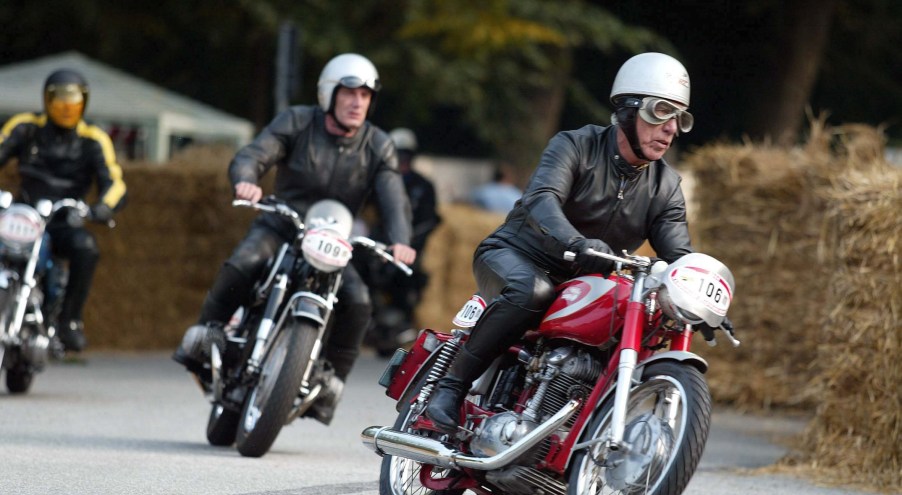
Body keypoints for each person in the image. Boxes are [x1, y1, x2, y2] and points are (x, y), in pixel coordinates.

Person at [425, 52, 696, 433]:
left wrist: (697, 287)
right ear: (626, 111)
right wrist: (576, 241)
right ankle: (450, 388)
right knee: (531, 292)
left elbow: (679, 252)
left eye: (679, 118)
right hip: (517, 254)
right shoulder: (575, 145)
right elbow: (542, 199)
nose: (670, 128)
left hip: (590, 278)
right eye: (660, 112)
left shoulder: (666, 187)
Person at [173, 53, 415, 424]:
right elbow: (255, 153)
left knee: (358, 301)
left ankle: (329, 382)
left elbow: (393, 197)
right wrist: (247, 178)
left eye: (365, 95)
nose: (357, 102)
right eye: (349, 93)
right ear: (328, 94)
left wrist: (401, 238)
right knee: (245, 262)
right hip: (283, 224)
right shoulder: (298, 121)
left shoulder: (378, 145)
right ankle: (207, 336)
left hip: (334, 237)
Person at [0, 69, 126, 352]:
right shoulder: (26, 127)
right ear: (46, 99)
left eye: (73, 99)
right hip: (25, 214)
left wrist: (101, 208)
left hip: (64, 219)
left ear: (84, 102)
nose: (66, 106)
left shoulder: (93, 139)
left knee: (86, 247)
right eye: (59, 99)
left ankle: (70, 321)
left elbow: (114, 183)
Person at [359, 127, 440, 353]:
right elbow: (365, 208)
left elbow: (430, 218)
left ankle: (402, 323)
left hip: (410, 245)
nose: (402, 160)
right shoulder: (377, 180)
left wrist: (412, 242)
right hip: (379, 242)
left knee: (408, 279)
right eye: (398, 154)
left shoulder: (423, 187)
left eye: (407, 155)